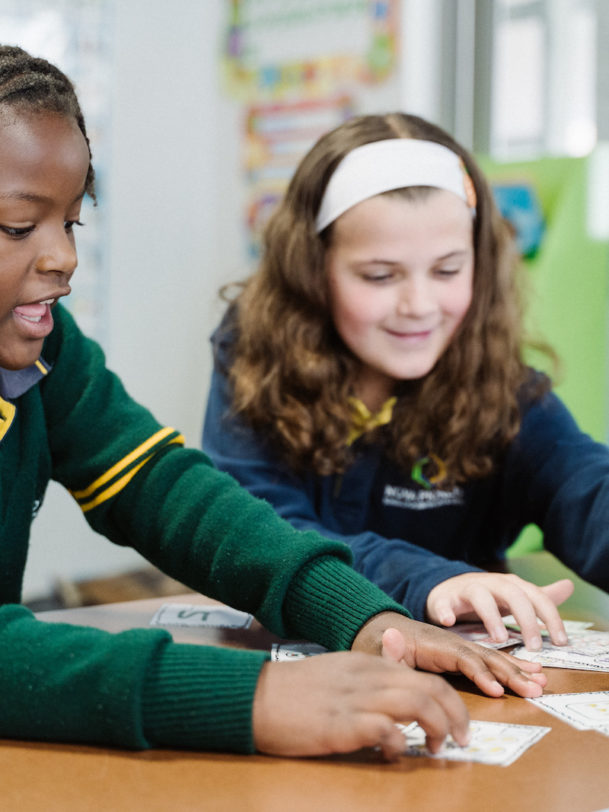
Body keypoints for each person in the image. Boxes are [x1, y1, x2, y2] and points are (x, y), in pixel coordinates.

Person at [0, 46, 548, 762]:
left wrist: (363, 617)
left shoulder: (49, 349)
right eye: (19, 228)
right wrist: (248, 696)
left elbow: (163, 490)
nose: (64, 258)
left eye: (72, 223)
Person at [202, 111, 609, 654]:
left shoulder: (500, 385)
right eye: (380, 275)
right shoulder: (253, 357)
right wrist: (432, 581)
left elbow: (582, 487)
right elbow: (258, 533)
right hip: (297, 668)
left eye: (447, 270)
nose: (419, 305)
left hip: (467, 679)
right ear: (313, 270)